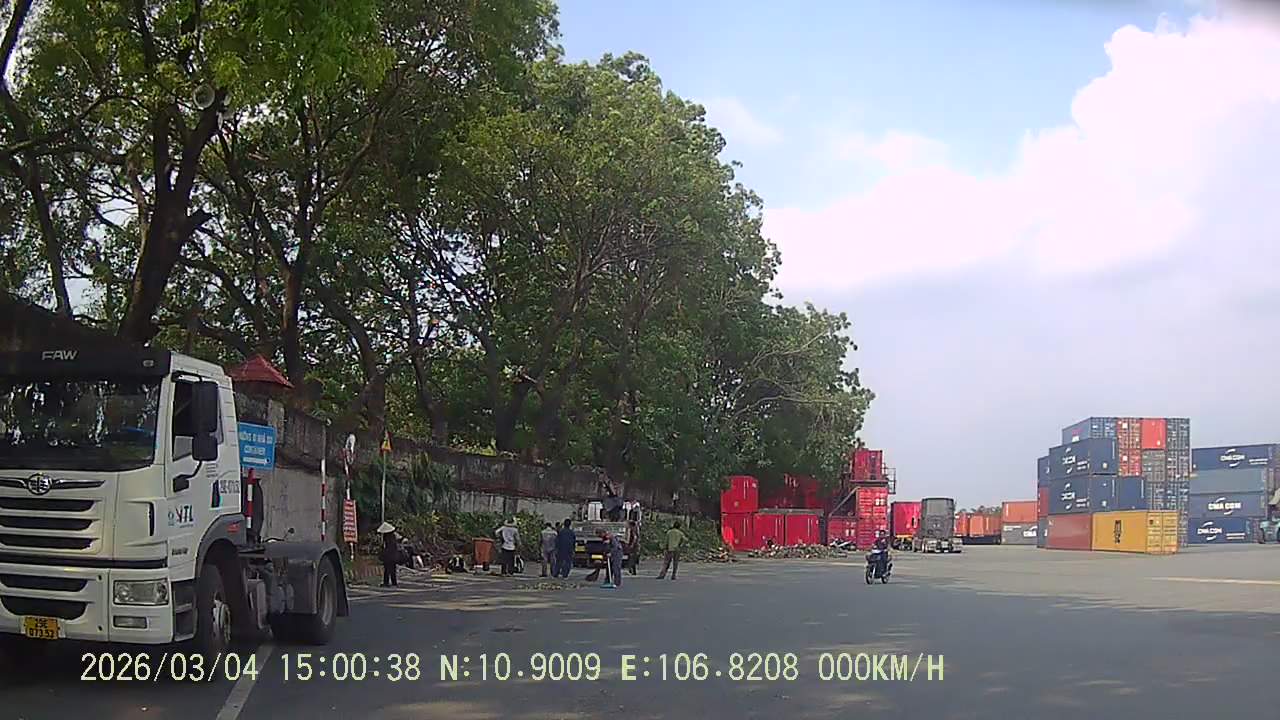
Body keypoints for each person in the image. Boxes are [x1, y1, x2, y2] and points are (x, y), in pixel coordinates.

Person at [378, 521, 399, 587]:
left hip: (388, 556)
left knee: (387, 570)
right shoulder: (393, 536)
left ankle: (386, 582)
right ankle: (394, 582)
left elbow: (385, 547)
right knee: (393, 569)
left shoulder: (387, 537)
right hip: (393, 555)